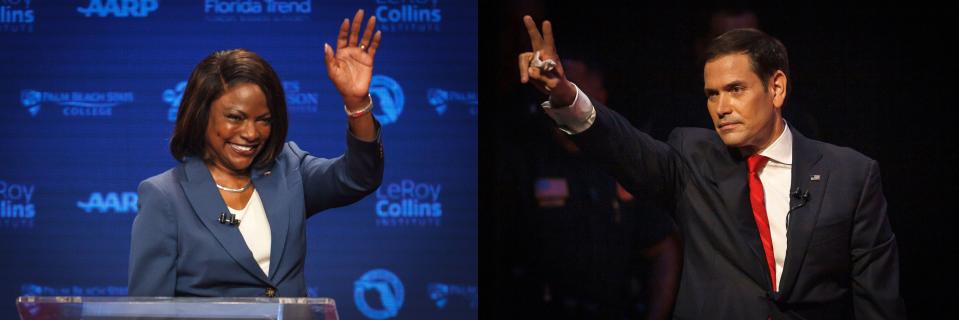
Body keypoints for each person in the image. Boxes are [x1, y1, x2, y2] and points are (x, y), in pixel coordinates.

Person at [518, 15, 905, 319]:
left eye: (735, 89)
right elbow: (624, 146)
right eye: (712, 94)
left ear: (777, 88)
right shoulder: (692, 156)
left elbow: (878, 302)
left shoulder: (851, 174)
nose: (721, 108)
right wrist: (565, 95)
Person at [128, 9, 385, 297]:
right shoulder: (165, 197)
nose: (251, 133)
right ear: (201, 116)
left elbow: (359, 177)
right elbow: (146, 310)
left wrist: (357, 102)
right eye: (235, 117)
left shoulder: (290, 169)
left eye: (263, 120)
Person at [511, 57, 682, 319]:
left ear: (599, 96)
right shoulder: (526, 163)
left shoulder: (626, 160)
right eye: (558, 95)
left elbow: (662, 247)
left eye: (574, 95)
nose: (566, 104)